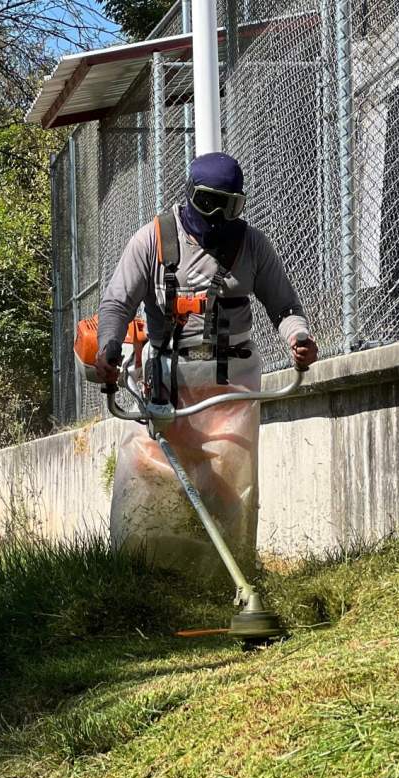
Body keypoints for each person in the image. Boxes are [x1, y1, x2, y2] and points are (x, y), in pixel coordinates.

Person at [95, 151, 319, 582]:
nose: (217, 216)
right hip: (167, 383)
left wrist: (299, 339)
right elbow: (117, 302)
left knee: (231, 482)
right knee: (143, 473)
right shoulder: (153, 240)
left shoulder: (253, 246)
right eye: (207, 202)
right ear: (189, 195)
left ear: (240, 205)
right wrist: (109, 347)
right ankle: (135, 575)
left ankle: (224, 578)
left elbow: (285, 306)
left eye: (228, 206)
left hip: (230, 387)